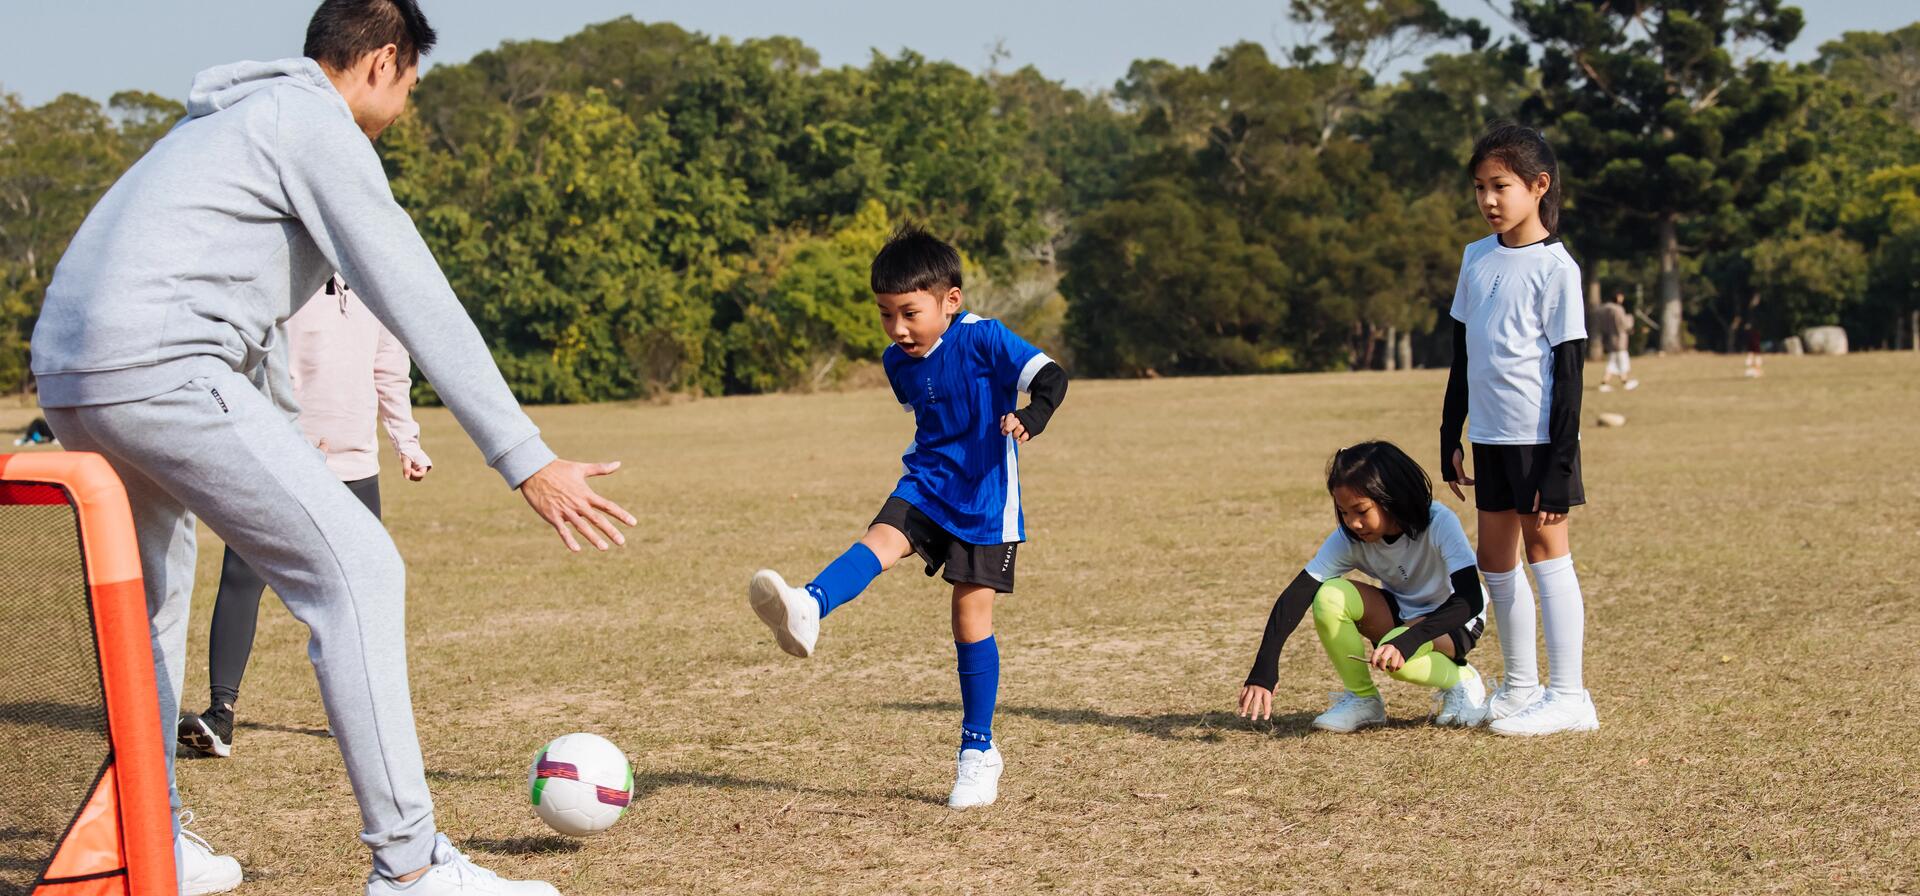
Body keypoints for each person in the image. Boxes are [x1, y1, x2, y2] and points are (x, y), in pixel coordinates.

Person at [29, 3, 635, 893]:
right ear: (384, 60)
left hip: (78, 378)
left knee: (150, 608)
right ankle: (411, 865)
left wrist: (282, 441)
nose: (406, 107)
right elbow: (414, 292)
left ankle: (147, 840)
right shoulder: (313, 123)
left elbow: (249, 316)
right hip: (162, 367)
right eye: (413, 87)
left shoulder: (229, 124)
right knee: (361, 570)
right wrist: (524, 455)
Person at [745, 226, 1068, 809]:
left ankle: (978, 751)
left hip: (987, 499)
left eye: (909, 313)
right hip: (926, 482)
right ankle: (809, 605)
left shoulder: (986, 340)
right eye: (886, 314)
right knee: (881, 539)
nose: (897, 329)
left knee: (969, 619)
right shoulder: (899, 362)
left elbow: (1051, 378)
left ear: (951, 300)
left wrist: (1032, 416)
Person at [178, 275, 433, 760]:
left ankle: (359, 715)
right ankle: (219, 718)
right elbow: (251, 364)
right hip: (280, 456)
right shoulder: (283, 275)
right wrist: (284, 436)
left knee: (360, 593)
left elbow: (389, 366)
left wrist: (407, 440)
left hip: (355, 463)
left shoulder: (372, 279)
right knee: (241, 577)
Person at [1439, 122, 1599, 737]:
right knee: (1495, 560)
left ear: (1539, 186)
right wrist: (1452, 433)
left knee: (1545, 552)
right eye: (1479, 187)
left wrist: (1559, 467)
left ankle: (1569, 696)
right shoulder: (1475, 259)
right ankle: (1520, 687)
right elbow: (1464, 356)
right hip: (1492, 437)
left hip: (1540, 439)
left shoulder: (1557, 268)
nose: (1488, 200)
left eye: (1501, 185)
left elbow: (1570, 373)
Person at [1236, 442, 1490, 733]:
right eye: (1343, 512)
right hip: (1402, 614)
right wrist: (1264, 667)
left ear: (1391, 496)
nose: (1352, 523)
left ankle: (1461, 679)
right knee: (1329, 595)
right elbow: (1297, 594)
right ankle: (1363, 699)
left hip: (1456, 620)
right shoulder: (1349, 538)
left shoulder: (1438, 522)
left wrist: (1408, 639)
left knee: (1398, 655)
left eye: (1361, 510)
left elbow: (1469, 599)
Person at [1597, 291, 1639, 392]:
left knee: (1612, 363)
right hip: (1619, 339)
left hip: (1609, 339)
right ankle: (1626, 383)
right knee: (1622, 361)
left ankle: (1605, 383)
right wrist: (1630, 319)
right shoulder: (1618, 309)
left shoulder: (1603, 309)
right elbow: (1623, 323)